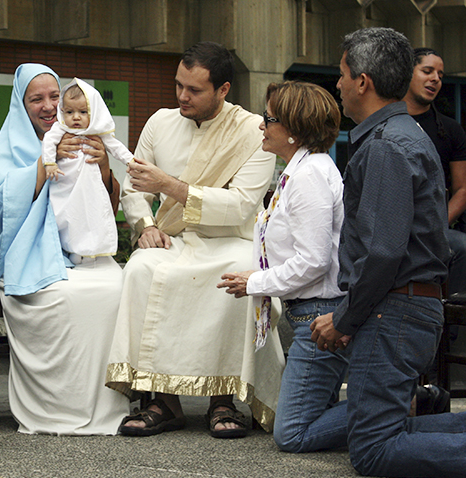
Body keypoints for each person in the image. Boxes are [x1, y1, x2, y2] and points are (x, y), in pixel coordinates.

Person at [106, 41, 282, 438]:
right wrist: (144, 226)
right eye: (178, 85)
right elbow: (135, 187)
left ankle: (223, 400)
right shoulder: (160, 123)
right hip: (173, 238)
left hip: (230, 240)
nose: (182, 96)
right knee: (140, 269)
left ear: (223, 90)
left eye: (194, 90)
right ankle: (163, 401)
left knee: (238, 273)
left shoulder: (253, 131)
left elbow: (240, 207)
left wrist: (170, 185)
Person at [311, 27, 466, 477]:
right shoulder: (400, 135)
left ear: (363, 81)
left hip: (394, 310)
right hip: (401, 308)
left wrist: (344, 318)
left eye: (342, 74)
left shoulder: (386, 146)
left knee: (374, 451)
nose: (338, 83)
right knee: (384, 435)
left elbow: (382, 252)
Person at [0, 63, 129, 435]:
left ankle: (107, 403)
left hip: (84, 251)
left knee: (117, 287)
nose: (48, 106)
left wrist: (104, 167)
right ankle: (55, 407)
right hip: (28, 252)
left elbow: (108, 209)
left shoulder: (87, 134)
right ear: (21, 104)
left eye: (55, 96)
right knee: (63, 295)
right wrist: (48, 161)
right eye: (36, 99)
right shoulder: (11, 143)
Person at [217, 81, 348, 451]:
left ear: (294, 129)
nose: (262, 125)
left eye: (269, 118)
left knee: (291, 433)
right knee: (313, 414)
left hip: (318, 317)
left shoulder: (309, 176)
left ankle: (393, 407)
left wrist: (255, 282)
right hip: (310, 313)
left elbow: (314, 261)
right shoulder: (301, 170)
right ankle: (384, 409)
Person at [42, 78, 134, 258]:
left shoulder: (97, 133)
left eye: (83, 112)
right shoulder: (60, 129)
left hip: (89, 185)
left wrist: (131, 161)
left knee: (90, 216)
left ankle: (88, 251)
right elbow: (48, 142)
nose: (76, 117)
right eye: (70, 112)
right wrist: (50, 163)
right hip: (65, 184)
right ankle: (62, 249)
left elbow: (116, 147)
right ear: (62, 111)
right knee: (63, 215)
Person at [402, 48, 466, 297]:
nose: (435, 79)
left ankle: (454, 314)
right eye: (427, 71)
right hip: (388, 227)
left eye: (440, 74)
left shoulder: (451, 130)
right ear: (407, 73)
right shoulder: (383, 123)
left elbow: (462, 190)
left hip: (434, 229)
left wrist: (437, 225)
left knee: (461, 246)